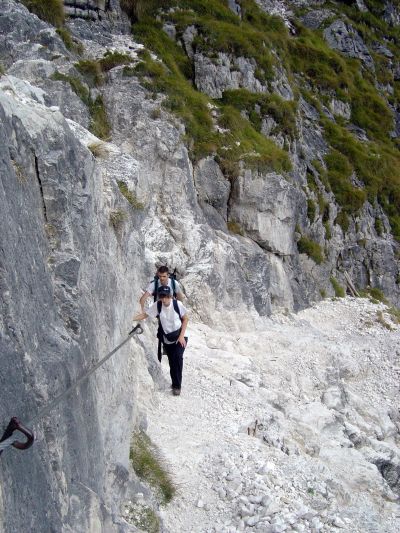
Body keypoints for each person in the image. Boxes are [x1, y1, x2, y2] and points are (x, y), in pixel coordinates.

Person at [133, 285, 188, 396]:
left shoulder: (178, 305)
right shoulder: (157, 306)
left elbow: (186, 318)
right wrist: (132, 318)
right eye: (162, 296)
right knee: (172, 362)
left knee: (177, 358)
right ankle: (174, 382)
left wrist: (181, 336)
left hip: (180, 336)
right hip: (167, 339)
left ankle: (177, 386)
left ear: (171, 296)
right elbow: (145, 314)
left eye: (166, 296)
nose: (164, 299)